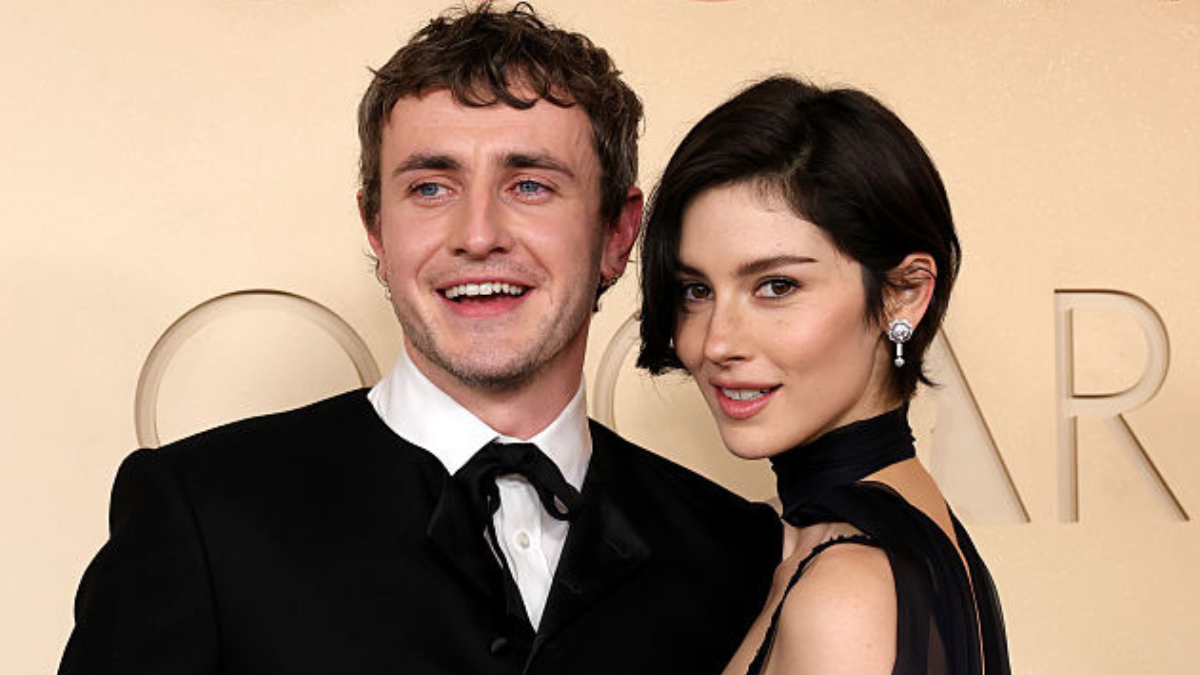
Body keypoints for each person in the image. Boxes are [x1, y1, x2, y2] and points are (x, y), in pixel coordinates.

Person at [59, 4, 781, 673]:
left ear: (617, 233)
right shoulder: (201, 515)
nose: (477, 235)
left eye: (529, 184)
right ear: (377, 230)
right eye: (431, 188)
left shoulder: (737, 550)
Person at [638, 76, 1011, 674]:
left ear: (903, 294)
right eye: (696, 290)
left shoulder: (846, 591)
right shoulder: (881, 534)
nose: (716, 342)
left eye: (776, 286)